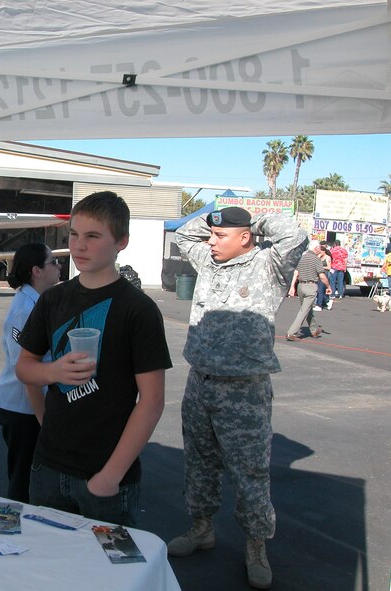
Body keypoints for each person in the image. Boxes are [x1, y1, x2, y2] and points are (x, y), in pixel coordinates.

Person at [170, 206, 307, 590]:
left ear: (245, 238)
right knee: (199, 462)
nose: (211, 242)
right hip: (201, 383)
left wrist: (254, 219)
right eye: (212, 236)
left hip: (244, 390)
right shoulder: (209, 261)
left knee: (250, 473)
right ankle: (201, 529)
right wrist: (217, 217)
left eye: (221, 236)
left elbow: (294, 236)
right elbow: (184, 235)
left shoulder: (269, 266)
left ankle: (256, 546)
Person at [15, 191, 171, 528]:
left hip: (107, 474)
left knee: (109, 576)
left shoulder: (139, 310)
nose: (78, 245)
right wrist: (52, 373)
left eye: (93, 236)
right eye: (73, 234)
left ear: (121, 242)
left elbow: (153, 401)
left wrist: (110, 476)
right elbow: (24, 367)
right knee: (47, 567)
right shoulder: (52, 299)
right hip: (47, 467)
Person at [0, 243, 61, 502]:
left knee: (30, 477)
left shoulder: (36, 302)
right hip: (22, 408)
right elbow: (26, 369)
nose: (58, 266)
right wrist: (44, 419)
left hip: (29, 405)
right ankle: (16, 531)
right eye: (53, 262)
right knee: (24, 480)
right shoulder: (25, 309)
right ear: (37, 271)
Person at [286, 240, 332, 342]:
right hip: (311, 287)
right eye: (320, 247)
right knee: (304, 311)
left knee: (307, 309)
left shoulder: (302, 257)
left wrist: (292, 287)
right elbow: (322, 276)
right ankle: (291, 333)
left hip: (301, 286)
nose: (321, 249)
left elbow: (296, 273)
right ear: (315, 248)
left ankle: (314, 329)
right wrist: (328, 286)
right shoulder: (316, 259)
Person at [314, 241, 332, 311]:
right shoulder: (319, 257)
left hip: (325, 274)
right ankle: (327, 302)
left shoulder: (327, 258)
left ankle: (319, 305)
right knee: (319, 290)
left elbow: (329, 267)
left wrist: (321, 267)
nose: (319, 252)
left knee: (321, 290)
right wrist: (318, 257)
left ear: (324, 251)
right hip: (318, 274)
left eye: (321, 251)